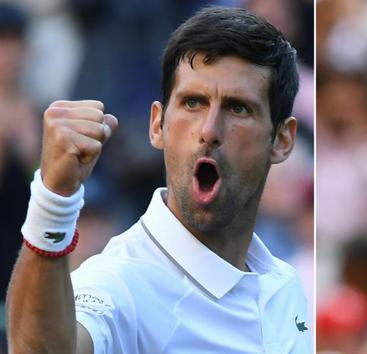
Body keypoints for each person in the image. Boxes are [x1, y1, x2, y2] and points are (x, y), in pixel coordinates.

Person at [6, 6, 311, 354]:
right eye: (193, 103)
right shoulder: (118, 284)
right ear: (157, 124)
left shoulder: (287, 285)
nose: (209, 130)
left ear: (282, 140)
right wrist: (54, 201)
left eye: (237, 108)